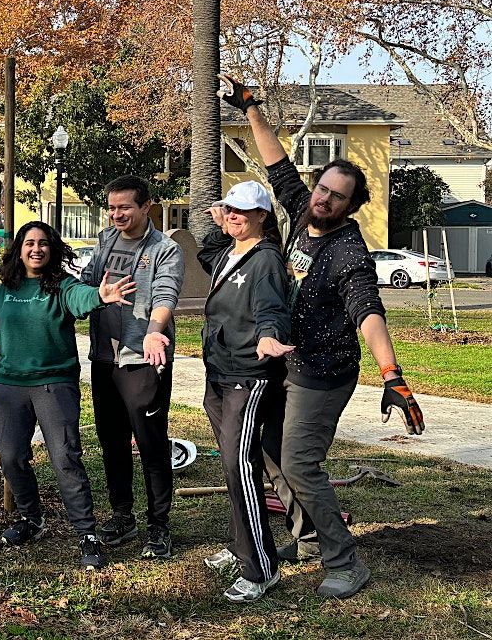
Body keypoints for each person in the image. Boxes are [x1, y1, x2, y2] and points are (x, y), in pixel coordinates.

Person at [218, 73, 426, 599]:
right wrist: (251, 109)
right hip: (283, 360)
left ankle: (344, 560)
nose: (325, 200)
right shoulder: (297, 213)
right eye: (323, 189)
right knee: (265, 445)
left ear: (351, 208)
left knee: (299, 461)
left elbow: (368, 312)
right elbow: (277, 163)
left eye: (338, 198)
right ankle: (303, 533)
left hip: (324, 370)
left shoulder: (349, 252)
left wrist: (391, 372)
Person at [0, 221, 134, 570]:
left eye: (43, 243)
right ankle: (32, 519)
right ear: (19, 249)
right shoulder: (7, 290)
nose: (36, 249)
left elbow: (80, 298)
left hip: (54, 384)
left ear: (52, 249)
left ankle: (86, 534)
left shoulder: (62, 286)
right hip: (9, 386)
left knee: (65, 459)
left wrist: (99, 296)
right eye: (29, 243)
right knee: (10, 458)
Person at [196, 181, 294, 602]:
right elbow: (204, 254)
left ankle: (260, 568)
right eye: (229, 209)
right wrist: (220, 225)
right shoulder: (228, 254)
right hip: (218, 370)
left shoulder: (266, 260)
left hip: (247, 377)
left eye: (241, 211)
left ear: (262, 217)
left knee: (240, 468)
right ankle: (241, 546)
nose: (233, 215)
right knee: (237, 465)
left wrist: (269, 336)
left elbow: (272, 308)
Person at [79, 175, 185, 560]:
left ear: (146, 206)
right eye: (111, 207)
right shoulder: (106, 240)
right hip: (105, 359)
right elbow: (90, 283)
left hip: (143, 360)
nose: (117, 214)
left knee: (151, 443)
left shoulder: (165, 249)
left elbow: (165, 294)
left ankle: (159, 526)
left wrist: (155, 332)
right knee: (112, 441)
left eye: (125, 207)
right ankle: (122, 515)